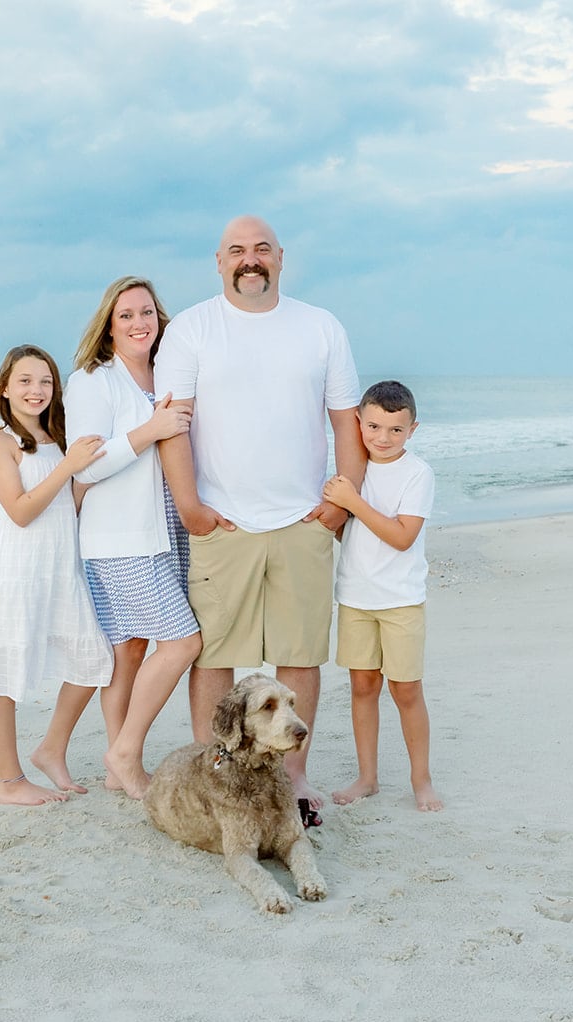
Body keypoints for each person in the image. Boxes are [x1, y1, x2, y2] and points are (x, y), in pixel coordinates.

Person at [154, 215, 365, 815]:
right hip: (223, 524)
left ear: (281, 259)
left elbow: (345, 420)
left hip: (304, 521)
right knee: (216, 656)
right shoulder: (193, 329)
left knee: (298, 655)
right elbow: (176, 424)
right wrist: (190, 506)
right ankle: (210, 776)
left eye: (262, 250)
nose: (251, 259)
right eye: (238, 251)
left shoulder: (320, 327)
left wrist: (337, 505)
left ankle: (291, 781)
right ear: (219, 262)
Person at [0, 345, 114, 806]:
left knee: (92, 662)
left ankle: (51, 750)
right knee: (2, 674)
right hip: (15, 571)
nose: (36, 390)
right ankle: (9, 782)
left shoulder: (61, 437)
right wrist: (68, 467)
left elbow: (69, 503)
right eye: (24, 381)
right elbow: (20, 512)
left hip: (61, 568)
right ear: (5, 388)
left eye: (45, 381)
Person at [65, 277, 202, 800]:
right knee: (183, 641)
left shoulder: (164, 372)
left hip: (163, 529)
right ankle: (123, 753)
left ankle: (117, 765)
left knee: (130, 650)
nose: (139, 322)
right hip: (119, 538)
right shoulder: (92, 381)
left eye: (147, 312)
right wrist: (153, 427)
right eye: (126, 315)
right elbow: (88, 465)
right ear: (109, 326)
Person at [320, 380, 442, 812]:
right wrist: (340, 508)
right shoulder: (352, 472)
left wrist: (353, 502)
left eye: (395, 430)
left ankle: (421, 780)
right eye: (373, 427)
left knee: (406, 690)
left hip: (400, 601)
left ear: (412, 429)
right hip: (355, 595)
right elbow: (343, 531)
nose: (382, 438)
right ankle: (367, 778)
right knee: (363, 687)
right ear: (358, 422)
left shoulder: (417, 473)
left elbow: (402, 537)